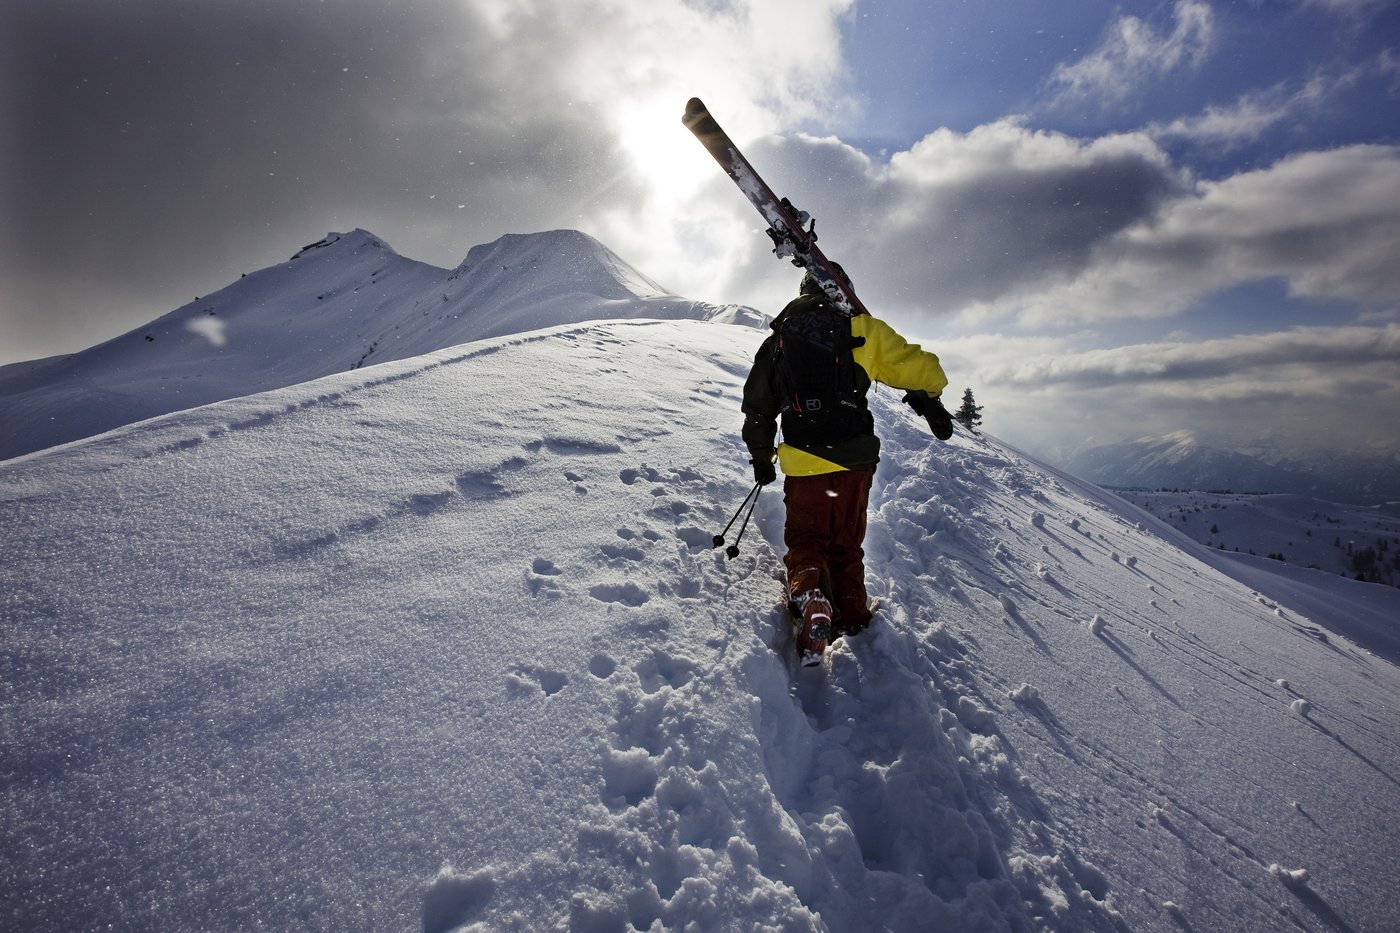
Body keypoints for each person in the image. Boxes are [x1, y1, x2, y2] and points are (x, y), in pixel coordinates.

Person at [741, 265, 952, 663]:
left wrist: (761, 456)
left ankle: (811, 596)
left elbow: (758, 408)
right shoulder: (864, 330)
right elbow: (927, 371)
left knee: (807, 540)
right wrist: (931, 393)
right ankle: (854, 618)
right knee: (846, 545)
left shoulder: (780, 339)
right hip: (855, 460)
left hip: (804, 462)